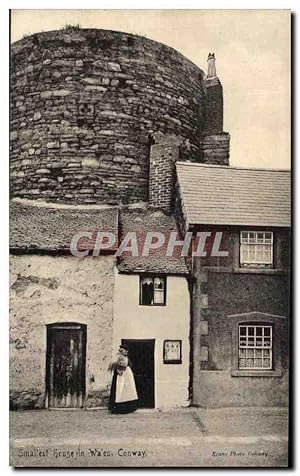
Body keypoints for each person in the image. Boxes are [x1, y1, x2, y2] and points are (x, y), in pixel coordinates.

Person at [108, 344, 138, 414]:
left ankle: (128, 408)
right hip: (121, 375)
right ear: (121, 350)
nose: (126, 352)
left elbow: (129, 364)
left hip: (127, 375)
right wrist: (117, 369)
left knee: (128, 391)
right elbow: (112, 363)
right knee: (120, 390)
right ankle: (119, 408)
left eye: (126, 351)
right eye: (124, 350)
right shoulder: (118, 356)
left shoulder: (126, 357)